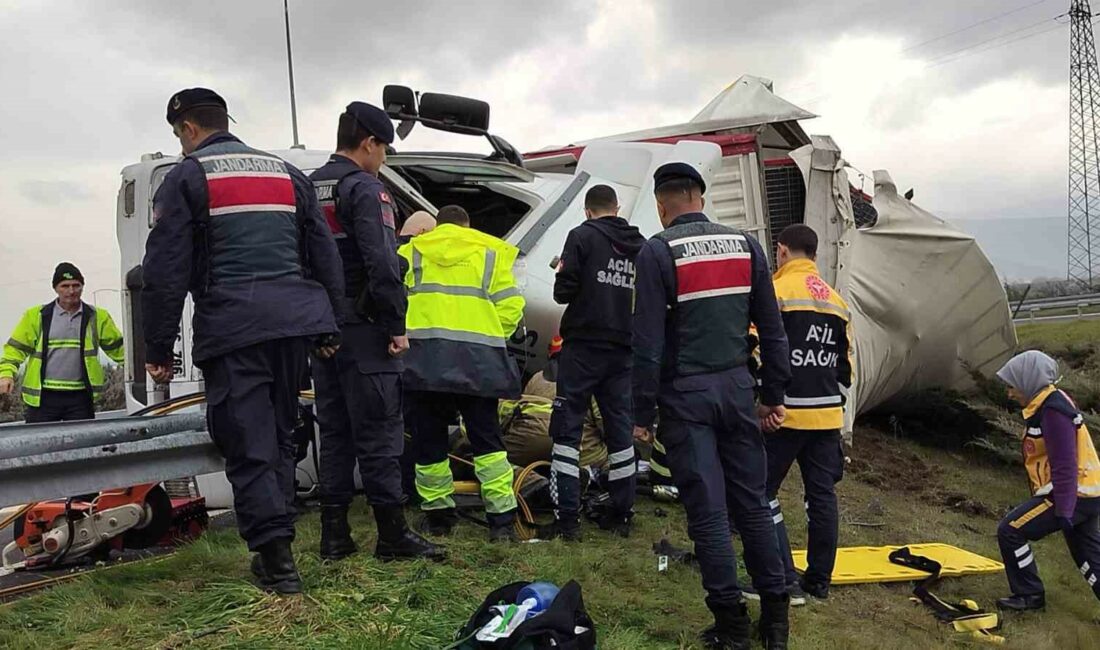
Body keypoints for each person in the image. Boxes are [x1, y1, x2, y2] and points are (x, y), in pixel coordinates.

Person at [142, 88, 344, 595]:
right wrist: (328, 325)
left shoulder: (188, 177)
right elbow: (322, 252)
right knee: (279, 434)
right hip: (292, 327)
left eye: (179, 136)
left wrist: (158, 347)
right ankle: (279, 545)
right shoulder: (285, 173)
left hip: (234, 328)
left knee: (247, 438)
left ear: (189, 129)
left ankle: (277, 562)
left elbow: (165, 269)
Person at [632, 162, 792, 650]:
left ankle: (731, 626)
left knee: (708, 513)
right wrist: (773, 395)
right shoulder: (747, 246)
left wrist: (641, 414)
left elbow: (648, 344)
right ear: (700, 198)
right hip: (738, 391)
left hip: (687, 398)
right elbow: (773, 329)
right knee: (754, 505)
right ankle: (777, 622)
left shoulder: (658, 251)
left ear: (662, 206)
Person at [309, 102, 442, 563]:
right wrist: (396, 325)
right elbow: (383, 263)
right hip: (366, 331)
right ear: (369, 143)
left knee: (335, 434)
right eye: (383, 149)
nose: (383, 158)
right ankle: (392, 536)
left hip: (324, 332)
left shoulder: (309, 186)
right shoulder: (365, 189)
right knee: (381, 433)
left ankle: (334, 536)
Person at [398, 205, 525, 542]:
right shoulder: (489, 253)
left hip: (424, 361)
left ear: (435, 227)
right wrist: (489, 338)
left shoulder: (412, 251)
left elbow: (394, 301)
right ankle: (501, 521)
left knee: (429, 442)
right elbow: (512, 308)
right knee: (488, 442)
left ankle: (438, 517)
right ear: (467, 226)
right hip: (478, 362)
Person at [759, 224, 853, 605]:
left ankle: (783, 577)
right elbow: (845, 368)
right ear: (814, 255)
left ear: (782, 251)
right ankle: (819, 581)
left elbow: (759, 350)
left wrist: (764, 401)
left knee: (760, 492)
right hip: (827, 417)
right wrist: (833, 406)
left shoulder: (775, 293)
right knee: (821, 497)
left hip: (783, 415)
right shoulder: (836, 302)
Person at [548, 184, 645, 540]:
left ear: (588, 211)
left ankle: (567, 519)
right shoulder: (640, 245)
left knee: (567, 429)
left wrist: (565, 272)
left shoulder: (581, 236)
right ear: (617, 209)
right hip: (622, 349)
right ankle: (621, 514)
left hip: (583, 347)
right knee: (620, 430)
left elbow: (563, 292)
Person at [994, 350, 1100, 611]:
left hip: (1071, 493)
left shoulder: (1053, 411)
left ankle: (1029, 595)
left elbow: (1065, 464)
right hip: (1088, 492)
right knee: (1088, 557)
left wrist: (1064, 509)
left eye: (1012, 386)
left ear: (1028, 381)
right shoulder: (1051, 401)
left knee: (1010, 530)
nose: (1009, 393)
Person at [0, 263, 125, 421]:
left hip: (80, 398)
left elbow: (119, 350)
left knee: (81, 438)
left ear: (82, 287)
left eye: (76, 285)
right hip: (43, 398)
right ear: (55, 288)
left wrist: (145, 367)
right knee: (41, 438)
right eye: (65, 286)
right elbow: (15, 350)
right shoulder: (36, 316)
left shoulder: (98, 317)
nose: (71, 291)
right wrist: (6, 374)